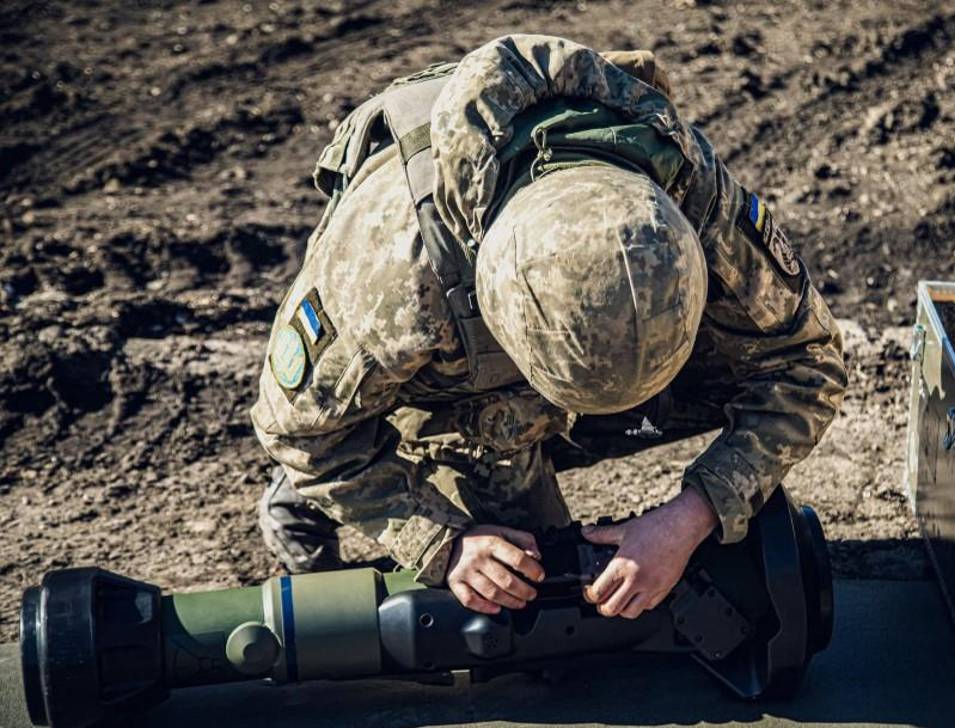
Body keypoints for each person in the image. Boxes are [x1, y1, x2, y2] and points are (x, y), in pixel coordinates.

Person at [251, 34, 846, 620]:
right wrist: (441, 542)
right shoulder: (394, 276)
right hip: (453, 375)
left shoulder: (689, 192)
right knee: (520, 599)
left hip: (557, 345)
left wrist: (691, 516)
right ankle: (328, 485)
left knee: (743, 367)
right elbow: (297, 432)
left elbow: (806, 365)